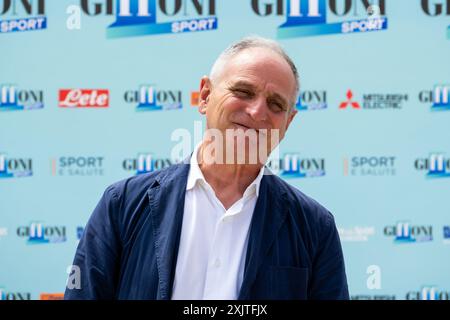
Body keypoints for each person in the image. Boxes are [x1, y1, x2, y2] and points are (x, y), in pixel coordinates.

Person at [64, 36, 349, 300]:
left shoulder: (315, 228)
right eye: (243, 91)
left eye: (276, 104)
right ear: (204, 96)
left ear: (287, 123)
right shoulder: (122, 204)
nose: (257, 111)